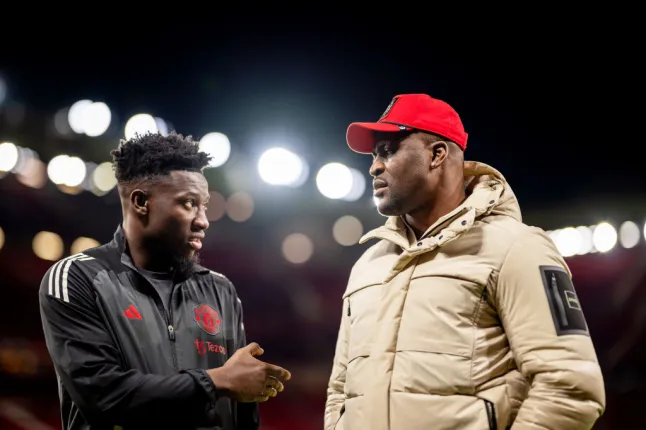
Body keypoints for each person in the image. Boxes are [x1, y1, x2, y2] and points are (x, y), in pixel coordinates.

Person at [324, 94, 605, 430]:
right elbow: (340, 392)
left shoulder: (517, 247)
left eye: (388, 150)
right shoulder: (368, 265)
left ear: (436, 155)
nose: (374, 167)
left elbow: (571, 388)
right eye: (373, 156)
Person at [39, 131, 291, 430]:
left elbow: (241, 411)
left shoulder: (220, 290)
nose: (203, 220)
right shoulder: (78, 278)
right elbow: (104, 396)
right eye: (188, 203)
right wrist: (216, 380)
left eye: (205, 205)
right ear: (141, 201)